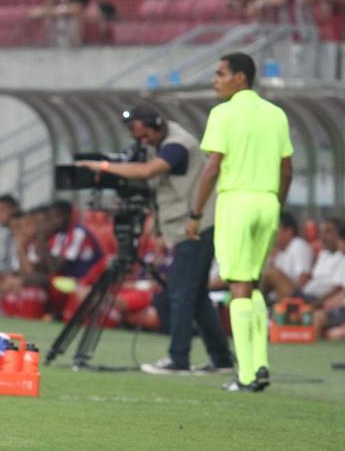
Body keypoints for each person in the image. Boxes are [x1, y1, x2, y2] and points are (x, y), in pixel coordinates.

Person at [78, 104, 232, 375]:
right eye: (137, 136)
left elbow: (149, 171)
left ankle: (178, 359)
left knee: (180, 292)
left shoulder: (177, 144)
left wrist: (103, 166)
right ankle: (221, 359)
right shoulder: (158, 143)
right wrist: (159, 230)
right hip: (184, 226)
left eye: (144, 134)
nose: (142, 141)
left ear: (157, 125)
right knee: (195, 295)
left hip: (197, 226)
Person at [189, 52, 293, 392]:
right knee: (253, 285)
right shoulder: (276, 114)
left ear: (241, 78)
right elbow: (287, 169)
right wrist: (275, 204)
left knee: (237, 285)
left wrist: (195, 213)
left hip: (236, 201)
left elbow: (213, 166)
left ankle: (246, 374)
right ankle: (260, 363)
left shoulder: (223, 113)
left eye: (220, 74)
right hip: (268, 201)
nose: (214, 80)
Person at [261, 212, 316, 301]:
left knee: (272, 273)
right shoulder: (280, 252)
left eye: (276, 231)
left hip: (298, 296)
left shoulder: (298, 245)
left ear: (288, 231)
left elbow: (303, 278)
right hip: (280, 295)